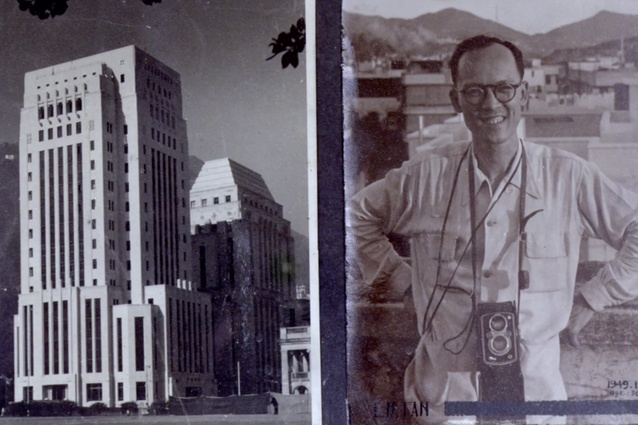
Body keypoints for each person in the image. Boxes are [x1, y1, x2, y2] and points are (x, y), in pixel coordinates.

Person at [347, 34, 638, 424]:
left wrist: (593, 297)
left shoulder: (569, 177)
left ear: (525, 95)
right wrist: (400, 282)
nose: (491, 103)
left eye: (504, 89)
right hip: (446, 404)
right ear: (456, 100)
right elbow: (352, 220)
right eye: (475, 91)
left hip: (535, 405)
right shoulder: (424, 178)